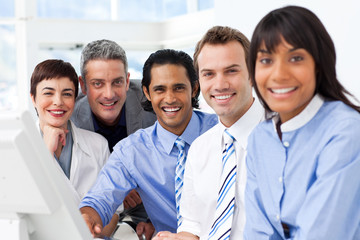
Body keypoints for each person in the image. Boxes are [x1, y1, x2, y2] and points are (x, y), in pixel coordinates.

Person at [243, 5, 360, 240]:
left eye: (295, 58)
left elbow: (324, 233)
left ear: (319, 64)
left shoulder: (346, 130)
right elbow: (257, 231)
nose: (278, 74)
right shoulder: (259, 138)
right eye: (266, 60)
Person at [79, 49, 218, 239]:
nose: (170, 98)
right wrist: (88, 217)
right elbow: (100, 198)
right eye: (160, 89)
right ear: (147, 92)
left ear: (194, 89)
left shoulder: (221, 131)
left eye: (178, 88)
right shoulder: (132, 151)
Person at [153, 26, 264, 240]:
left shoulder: (285, 137)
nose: (220, 84)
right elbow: (193, 225)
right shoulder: (200, 148)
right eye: (209, 74)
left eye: (231, 71)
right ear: (199, 82)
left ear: (252, 74)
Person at [70, 39, 157, 229]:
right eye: (98, 84)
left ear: (127, 81)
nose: (109, 94)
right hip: (97, 216)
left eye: (117, 82)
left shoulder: (153, 104)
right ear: (83, 86)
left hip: (151, 216)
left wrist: (154, 222)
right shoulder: (70, 117)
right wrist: (118, 189)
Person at [30, 59, 118, 236]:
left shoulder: (98, 144)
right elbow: (25, 207)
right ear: (33, 98)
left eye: (67, 94)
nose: (58, 102)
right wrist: (46, 151)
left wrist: (91, 232)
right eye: (48, 93)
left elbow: (114, 211)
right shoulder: (20, 146)